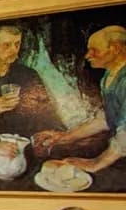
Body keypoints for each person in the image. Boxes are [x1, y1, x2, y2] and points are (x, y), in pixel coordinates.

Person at [34, 25, 126, 173]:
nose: (87, 56)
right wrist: (65, 137)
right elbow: (105, 119)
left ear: (115, 48)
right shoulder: (108, 77)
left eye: (94, 50)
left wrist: (96, 163)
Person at [0, 24, 55, 139]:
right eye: (7, 45)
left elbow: (48, 114)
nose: (14, 50)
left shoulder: (28, 75)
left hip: (22, 142)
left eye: (17, 44)